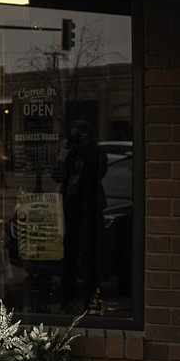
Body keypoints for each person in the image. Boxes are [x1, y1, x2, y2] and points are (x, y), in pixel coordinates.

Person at [59, 119, 107, 310]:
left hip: (89, 211)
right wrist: (66, 152)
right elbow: (58, 175)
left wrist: (85, 147)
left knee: (89, 258)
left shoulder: (95, 152)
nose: (76, 139)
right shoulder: (72, 153)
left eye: (80, 135)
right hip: (70, 210)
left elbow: (98, 172)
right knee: (68, 257)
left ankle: (91, 300)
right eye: (74, 135)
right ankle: (66, 299)